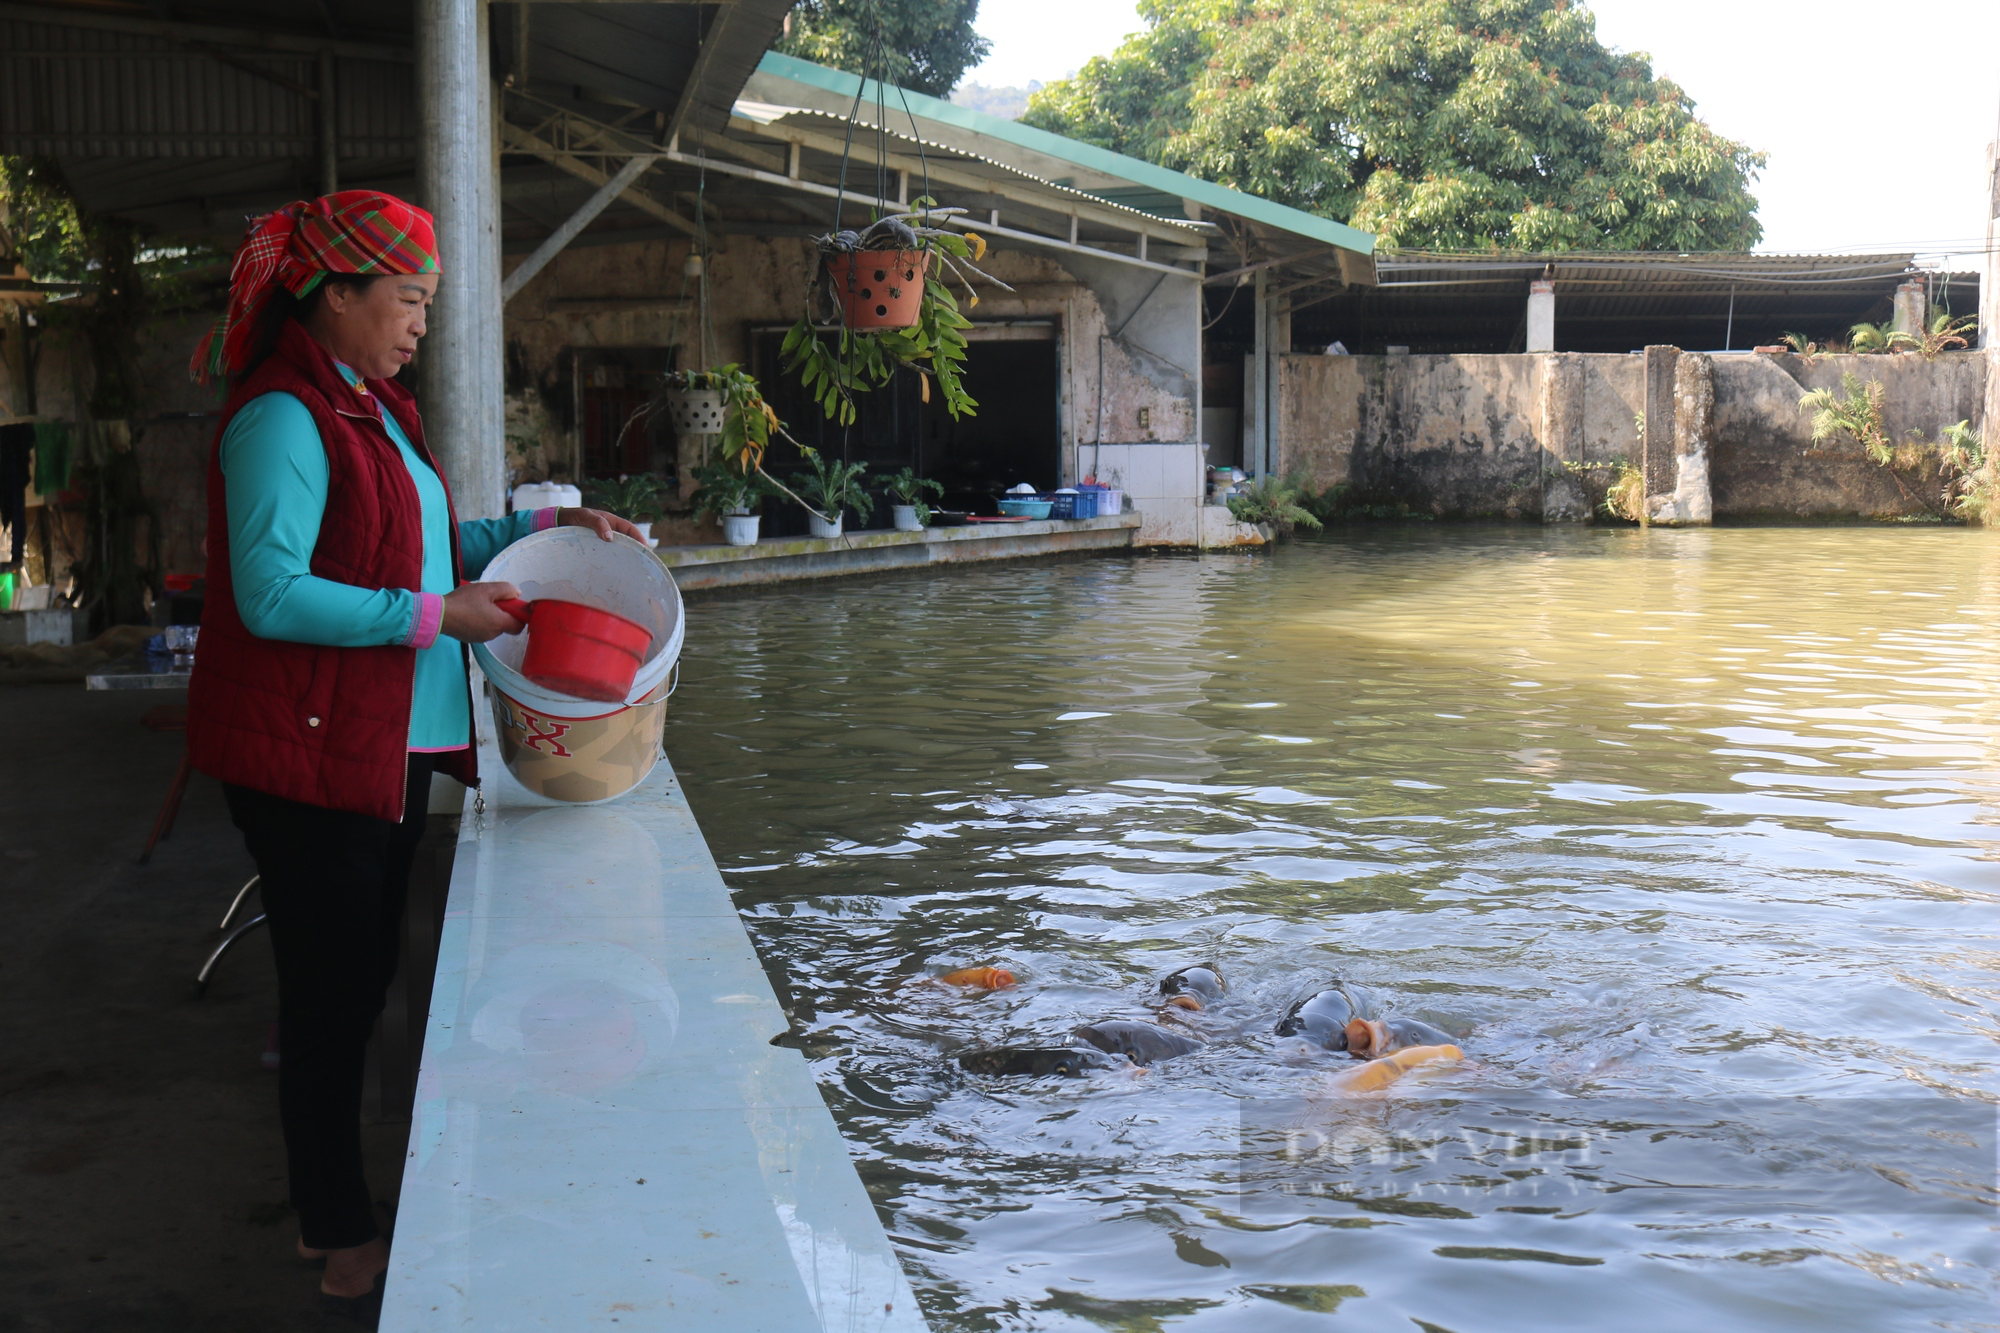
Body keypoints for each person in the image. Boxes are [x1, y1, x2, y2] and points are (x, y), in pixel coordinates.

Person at [184, 191, 639, 1321]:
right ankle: (333, 1227)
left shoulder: (372, 409)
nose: (419, 324)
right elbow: (271, 591)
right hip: (311, 752)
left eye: (427, 304)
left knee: (358, 980)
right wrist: (435, 617)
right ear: (336, 294)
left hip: (383, 741)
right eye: (407, 300)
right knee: (333, 998)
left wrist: (549, 534)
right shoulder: (282, 417)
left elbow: (431, 543)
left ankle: (344, 1201)